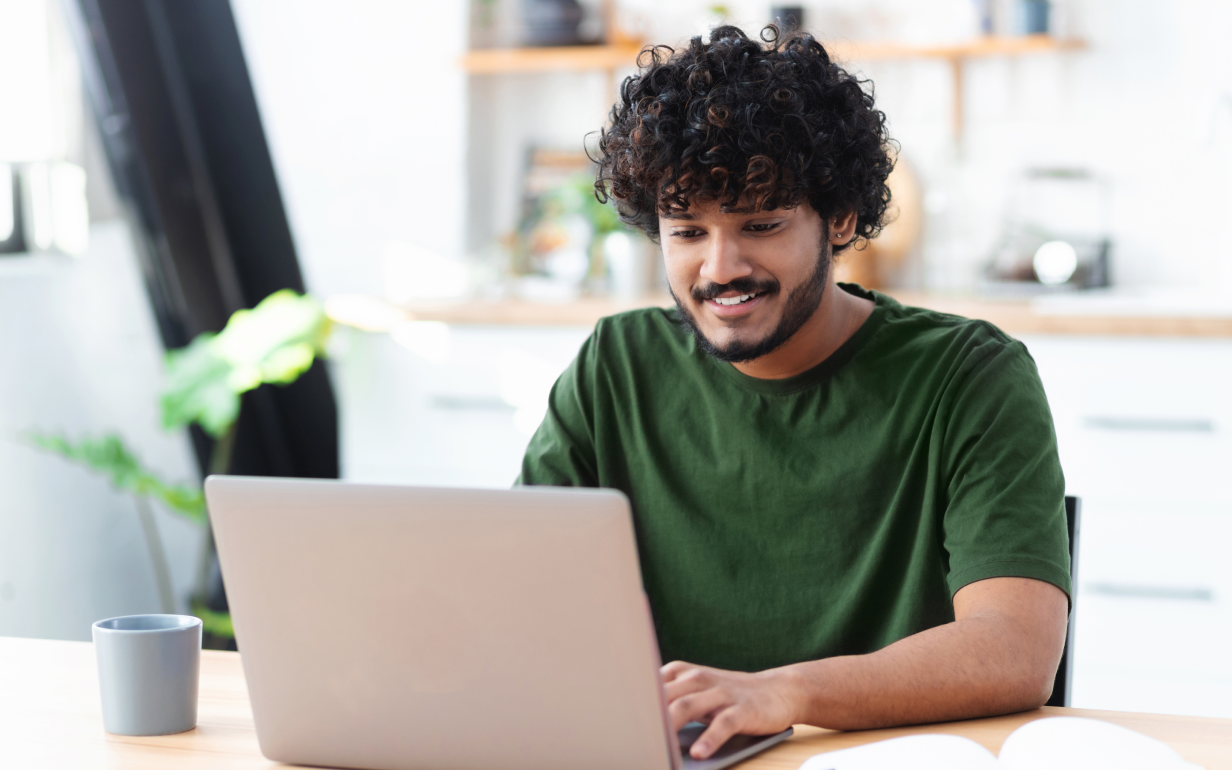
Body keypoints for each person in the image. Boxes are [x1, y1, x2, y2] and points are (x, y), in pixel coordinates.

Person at [518, 25, 1070, 760]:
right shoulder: (614, 368)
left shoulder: (970, 376)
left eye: (763, 224)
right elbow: (516, 604)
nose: (720, 269)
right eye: (686, 232)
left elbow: (1013, 652)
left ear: (840, 219)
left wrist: (783, 693)